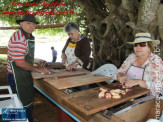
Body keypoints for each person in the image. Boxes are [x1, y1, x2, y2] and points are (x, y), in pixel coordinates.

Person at [7, 14, 50, 122]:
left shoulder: (28, 36)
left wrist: (36, 61)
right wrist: (38, 70)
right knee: (21, 101)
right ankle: (23, 120)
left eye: (33, 24)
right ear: (21, 24)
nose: (32, 26)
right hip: (16, 75)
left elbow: (25, 55)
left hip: (23, 73)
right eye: (28, 23)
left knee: (25, 100)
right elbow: (20, 63)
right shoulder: (19, 38)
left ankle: (28, 119)